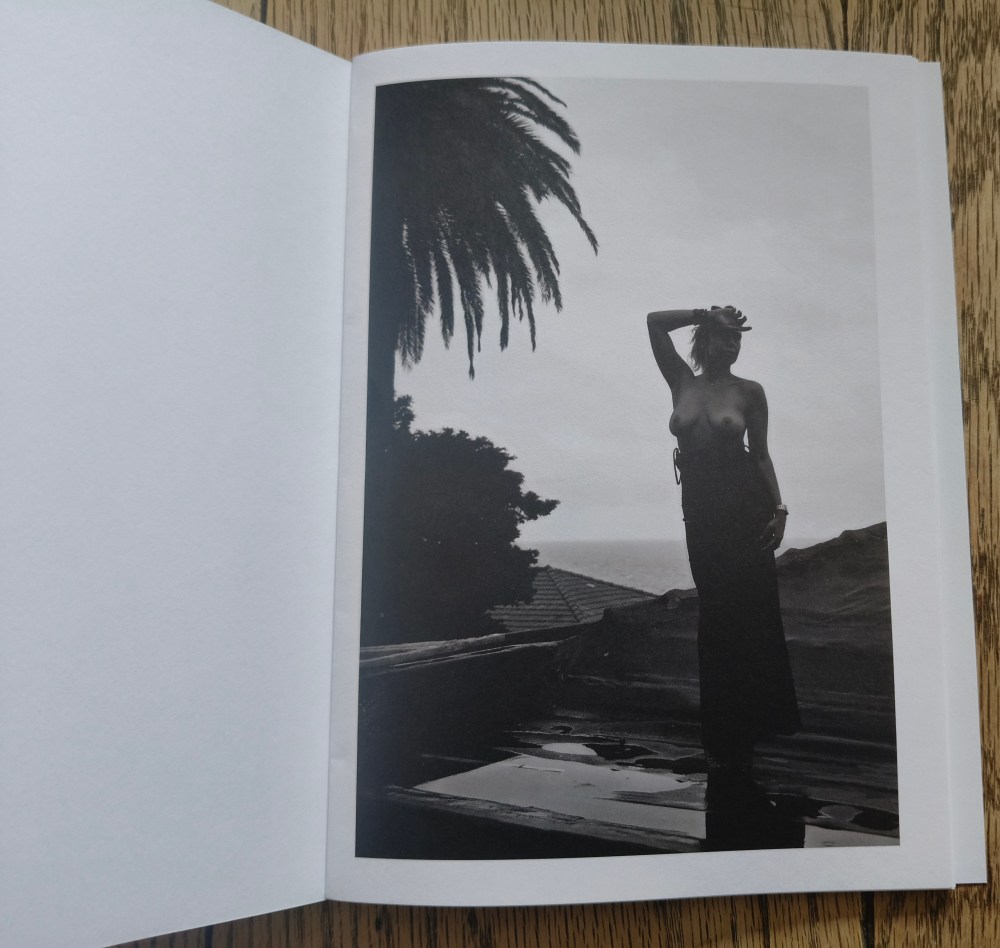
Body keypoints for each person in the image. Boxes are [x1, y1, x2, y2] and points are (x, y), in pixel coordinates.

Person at [646, 305, 800, 783]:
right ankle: (720, 737)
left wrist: (779, 510)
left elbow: (762, 455)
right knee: (714, 617)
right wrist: (701, 311)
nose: (732, 347)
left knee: (748, 617)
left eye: (737, 340)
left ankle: (744, 736)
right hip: (700, 511)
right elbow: (653, 322)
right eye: (724, 338)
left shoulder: (750, 392)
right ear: (705, 339)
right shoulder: (681, 381)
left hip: (744, 507)